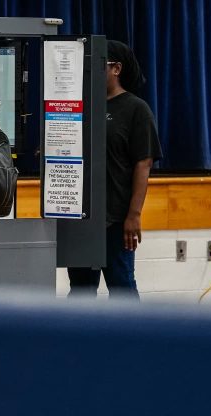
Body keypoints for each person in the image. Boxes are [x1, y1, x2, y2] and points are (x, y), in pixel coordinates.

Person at [67, 40, 162, 299]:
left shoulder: (136, 109)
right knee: (80, 290)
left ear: (116, 68)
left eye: (97, 65)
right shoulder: (79, 105)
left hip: (117, 218)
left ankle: (133, 339)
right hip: (81, 216)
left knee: (121, 286)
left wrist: (134, 215)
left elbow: (144, 164)